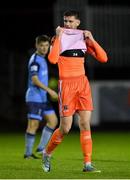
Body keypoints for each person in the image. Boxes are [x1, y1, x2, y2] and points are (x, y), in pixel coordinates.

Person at [42, 10, 108, 172]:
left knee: (85, 123)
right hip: (67, 85)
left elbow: (103, 58)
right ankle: (47, 153)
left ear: (78, 23)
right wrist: (57, 37)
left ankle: (87, 164)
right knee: (65, 128)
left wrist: (91, 39)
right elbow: (52, 59)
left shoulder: (83, 39)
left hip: (82, 84)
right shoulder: (58, 38)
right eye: (66, 21)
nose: (67, 24)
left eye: (71, 22)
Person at [24, 35, 58, 159]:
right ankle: (27, 154)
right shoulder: (35, 60)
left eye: (46, 45)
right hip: (35, 97)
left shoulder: (43, 58)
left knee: (53, 121)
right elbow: (34, 79)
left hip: (42, 97)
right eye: (41, 46)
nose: (44, 48)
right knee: (33, 125)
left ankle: (41, 149)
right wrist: (50, 91)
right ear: (36, 46)